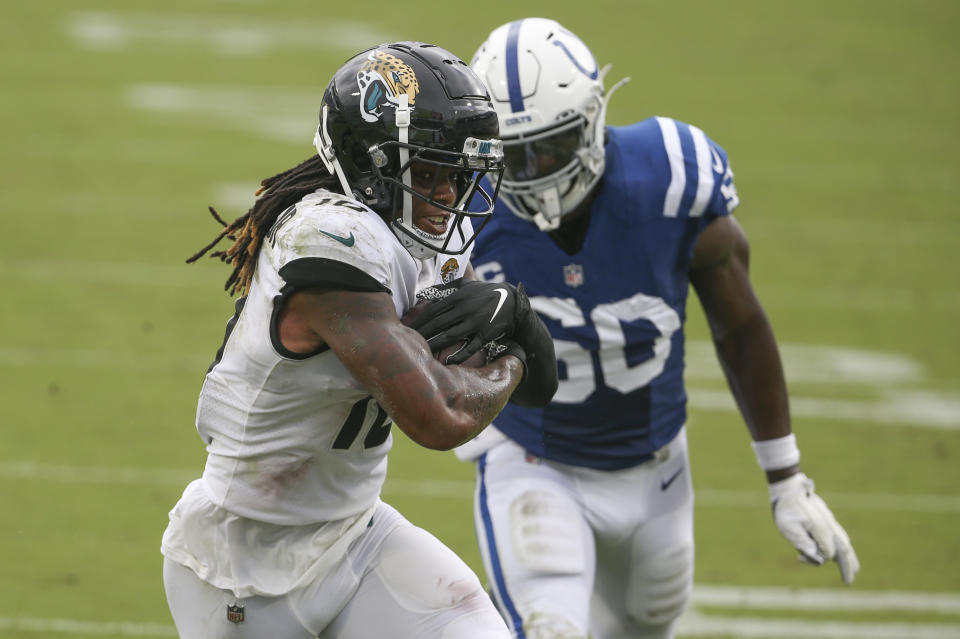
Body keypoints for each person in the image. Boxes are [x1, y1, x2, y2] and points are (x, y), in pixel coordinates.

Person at [442, 17, 860, 639]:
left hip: (655, 465)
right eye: (514, 154)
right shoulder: (461, 215)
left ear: (593, 121)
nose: (533, 173)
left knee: (649, 621)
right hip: (534, 458)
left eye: (550, 147)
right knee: (548, 623)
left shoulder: (670, 180)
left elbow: (739, 326)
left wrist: (786, 477)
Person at [160, 41, 557, 639]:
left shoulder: (416, 236)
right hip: (242, 567)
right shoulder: (330, 242)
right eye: (427, 173)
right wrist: (513, 359)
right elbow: (441, 416)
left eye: (453, 173)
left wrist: (519, 318)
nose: (446, 195)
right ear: (371, 167)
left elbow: (543, 389)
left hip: (355, 537)